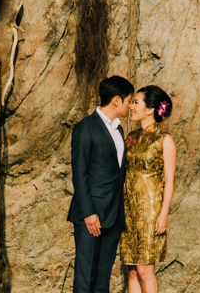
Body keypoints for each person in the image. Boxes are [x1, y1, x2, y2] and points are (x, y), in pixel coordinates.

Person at [68, 75, 134, 293]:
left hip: (113, 215)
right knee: (84, 279)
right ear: (116, 100)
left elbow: (117, 172)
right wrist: (88, 213)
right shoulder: (85, 128)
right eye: (128, 100)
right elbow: (79, 174)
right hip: (91, 216)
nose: (130, 105)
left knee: (102, 281)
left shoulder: (119, 131)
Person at [119, 85, 176, 293]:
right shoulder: (131, 137)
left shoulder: (164, 139)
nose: (131, 107)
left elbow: (169, 179)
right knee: (132, 271)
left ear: (150, 109)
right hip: (129, 210)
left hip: (150, 210)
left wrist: (163, 214)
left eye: (136, 102)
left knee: (145, 271)